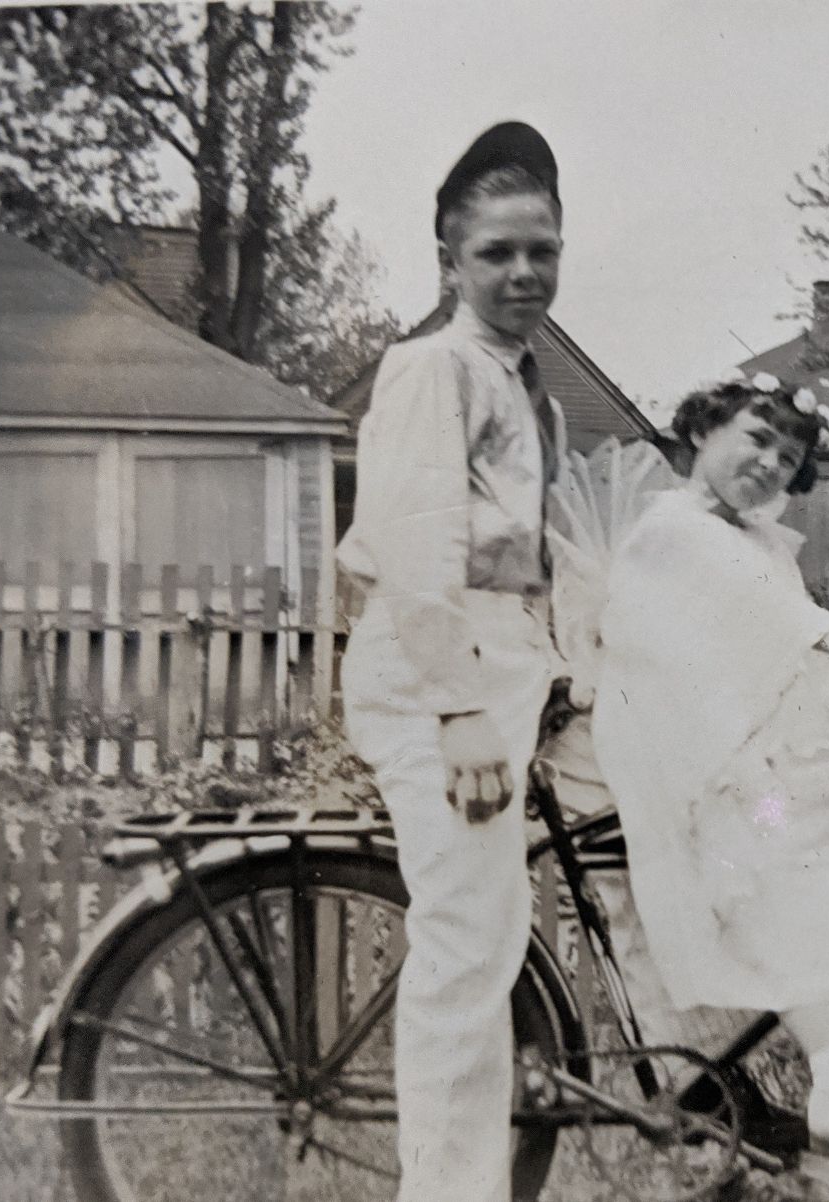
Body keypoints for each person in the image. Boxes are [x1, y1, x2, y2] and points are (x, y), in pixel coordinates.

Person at [589, 371, 829, 1181]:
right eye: (756, 439)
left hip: (727, 740)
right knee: (778, 843)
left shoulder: (751, 537)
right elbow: (763, 615)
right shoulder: (673, 527)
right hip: (677, 757)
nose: (769, 464)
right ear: (702, 433)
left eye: (788, 458)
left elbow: (768, 623)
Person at [337, 121, 565, 1202]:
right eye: (496, 253)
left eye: (541, 250)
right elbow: (417, 547)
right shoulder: (433, 367)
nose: (523, 272)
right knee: (468, 949)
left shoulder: (521, 380)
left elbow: (525, 550)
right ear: (449, 264)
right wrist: (458, 708)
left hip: (498, 664)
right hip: (436, 674)